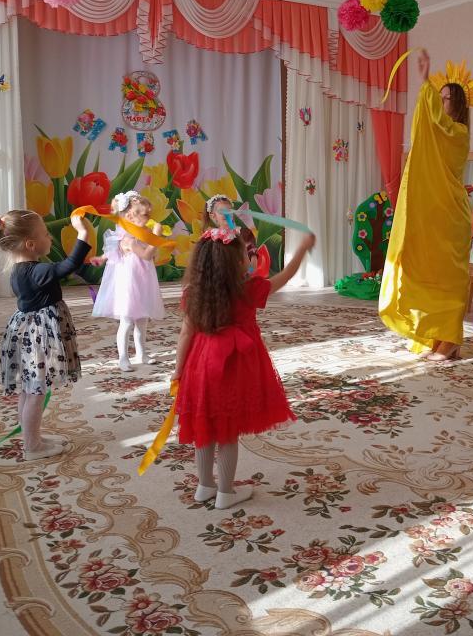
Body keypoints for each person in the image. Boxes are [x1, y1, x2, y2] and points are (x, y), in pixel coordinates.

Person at [171, 226, 314, 509]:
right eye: (247, 254)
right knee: (227, 432)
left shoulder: (193, 292)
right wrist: (301, 249)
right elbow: (285, 276)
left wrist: (178, 370)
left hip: (200, 365)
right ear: (238, 262)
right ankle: (226, 492)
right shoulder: (250, 289)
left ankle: (204, 486)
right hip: (232, 366)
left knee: (204, 426)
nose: (251, 258)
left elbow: (186, 333)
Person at [379, 48, 473, 362]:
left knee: (448, 278)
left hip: (450, 216)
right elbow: (433, 122)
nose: (439, 101)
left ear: (457, 105)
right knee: (425, 270)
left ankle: (450, 340)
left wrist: (425, 84)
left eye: (445, 98)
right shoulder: (443, 131)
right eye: (440, 97)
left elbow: (439, 123)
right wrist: (426, 89)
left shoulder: (458, 134)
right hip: (435, 214)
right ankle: (436, 334)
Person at [0, 210, 91, 461]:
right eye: (45, 234)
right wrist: (83, 233)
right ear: (31, 244)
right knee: (36, 392)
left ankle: (32, 438)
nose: (49, 238)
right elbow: (69, 265)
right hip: (38, 336)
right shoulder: (37, 271)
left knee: (29, 390)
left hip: (29, 333)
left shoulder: (20, 270)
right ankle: (32, 446)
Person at [91, 191, 166, 371]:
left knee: (142, 321)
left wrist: (102, 258)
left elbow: (149, 255)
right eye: (146, 215)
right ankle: (123, 358)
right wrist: (157, 238)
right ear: (131, 217)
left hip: (143, 281)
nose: (150, 218)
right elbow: (146, 255)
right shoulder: (128, 239)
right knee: (127, 322)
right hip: (129, 284)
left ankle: (141, 353)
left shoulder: (144, 233)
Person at [204, 194, 258, 267]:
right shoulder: (210, 237)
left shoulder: (245, 233)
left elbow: (253, 258)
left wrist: (249, 271)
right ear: (213, 216)